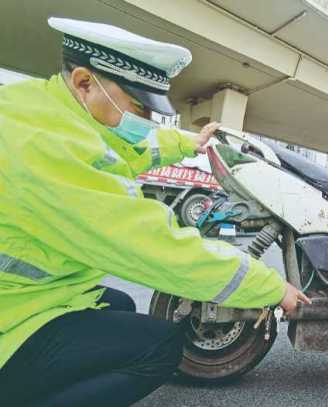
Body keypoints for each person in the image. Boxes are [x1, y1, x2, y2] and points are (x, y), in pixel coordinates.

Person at [0, 18, 309, 406]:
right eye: (137, 107)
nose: (143, 122)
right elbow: (151, 246)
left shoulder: (41, 108)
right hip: (10, 316)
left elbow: (128, 145)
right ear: (84, 82)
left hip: (22, 297)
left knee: (120, 306)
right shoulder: (47, 147)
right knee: (158, 347)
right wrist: (270, 287)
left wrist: (188, 142)